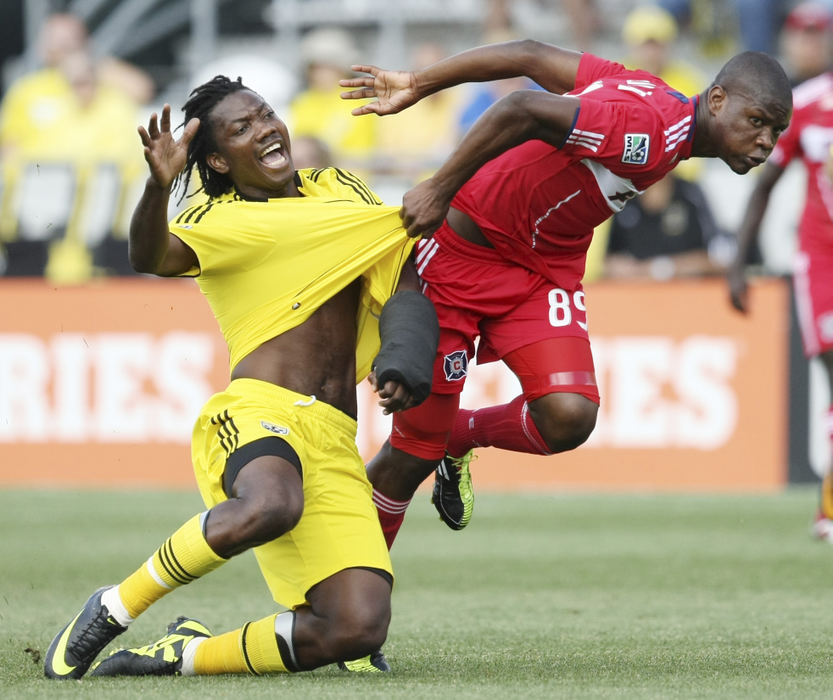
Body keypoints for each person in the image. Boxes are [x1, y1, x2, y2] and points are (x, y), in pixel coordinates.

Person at [43, 75, 438, 680]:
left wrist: (403, 356)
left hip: (334, 433)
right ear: (221, 161)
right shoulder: (218, 221)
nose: (267, 128)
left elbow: (396, 263)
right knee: (272, 504)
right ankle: (115, 607)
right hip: (257, 412)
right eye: (242, 127)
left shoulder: (337, 189)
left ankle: (185, 654)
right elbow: (151, 258)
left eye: (267, 114)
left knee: (355, 628)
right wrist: (157, 187)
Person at [339, 39, 792, 543]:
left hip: (542, 269)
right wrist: (440, 186)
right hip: (460, 259)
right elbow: (521, 106)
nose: (766, 142)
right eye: (757, 121)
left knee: (568, 417)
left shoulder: (653, 98)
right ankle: (347, 594)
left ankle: (457, 435)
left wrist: (420, 81)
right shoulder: (649, 130)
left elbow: (531, 54)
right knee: (409, 454)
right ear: (717, 100)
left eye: (776, 131)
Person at [727, 56, 833, 542]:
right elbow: (765, 181)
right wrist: (738, 261)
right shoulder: (810, 103)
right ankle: (828, 510)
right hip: (824, 264)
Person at [603, 171, 733, 281]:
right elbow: (610, 261)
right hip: (636, 297)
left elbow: (718, 260)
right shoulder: (625, 197)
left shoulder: (690, 194)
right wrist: (624, 269)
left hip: (687, 296)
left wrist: (662, 268)